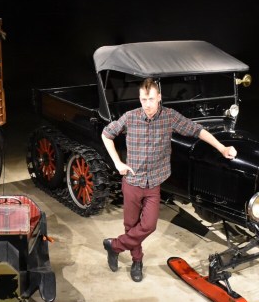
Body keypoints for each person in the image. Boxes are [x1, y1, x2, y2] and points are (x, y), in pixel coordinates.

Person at [101, 77, 237, 282]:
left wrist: (222, 147)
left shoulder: (169, 117)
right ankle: (137, 261)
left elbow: (197, 130)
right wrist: (118, 162)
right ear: (140, 98)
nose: (147, 104)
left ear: (159, 98)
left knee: (148, 225)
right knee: (131, 226)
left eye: (151, 99)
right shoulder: (130, 117)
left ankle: (114, 246)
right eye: (144, 99)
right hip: (132, 182)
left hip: (154, 183)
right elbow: (106, 134)